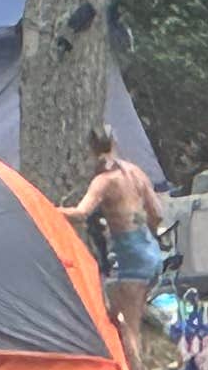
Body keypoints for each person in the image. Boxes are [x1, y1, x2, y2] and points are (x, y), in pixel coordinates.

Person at [65, 127, 170, 351]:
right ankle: (131, 369)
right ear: (115, 142)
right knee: (115, 311)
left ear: (92, 150)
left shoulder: (104, 181)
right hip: (151, 252)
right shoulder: (136, 173)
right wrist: (145, 230)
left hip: (132, 255)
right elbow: (158, 214)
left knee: (129, 330)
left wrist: (49, 210)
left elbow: (81, 213)